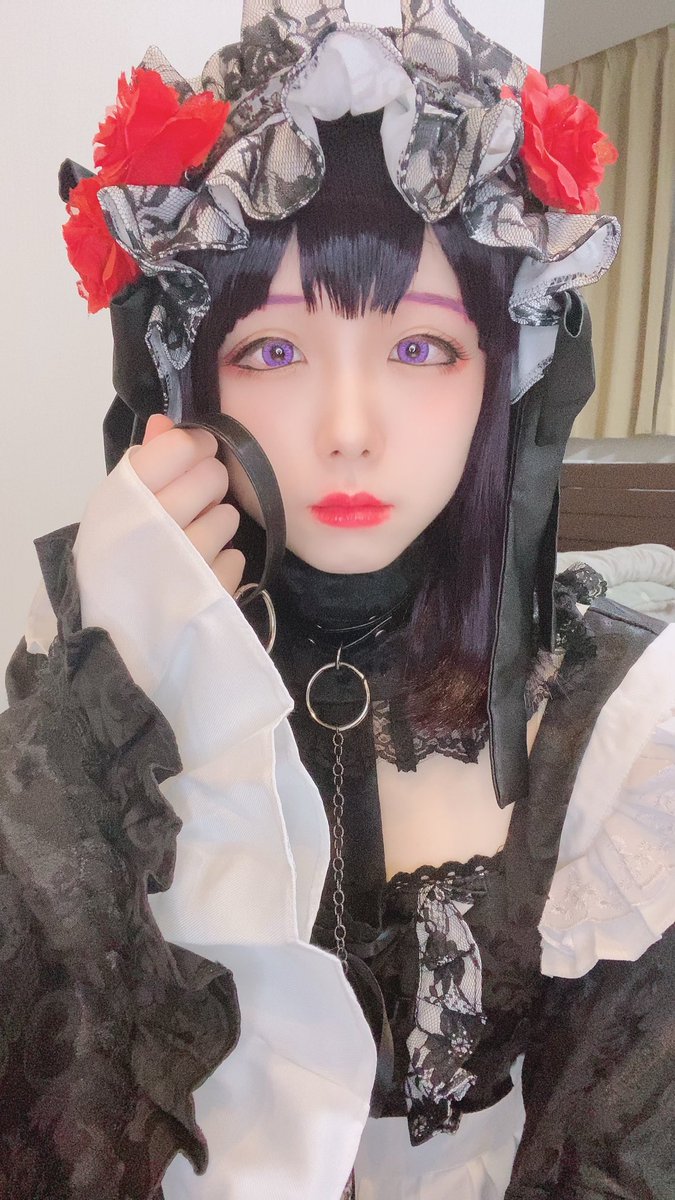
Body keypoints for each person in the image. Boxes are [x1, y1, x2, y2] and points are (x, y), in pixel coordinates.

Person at [1, 3, 674, 1198]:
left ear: (504, 376)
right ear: (184, 382)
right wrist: (115, 689)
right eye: (272, 350)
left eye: (423, 349)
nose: (350, 430)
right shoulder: (96, 683)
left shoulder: (616, 730)